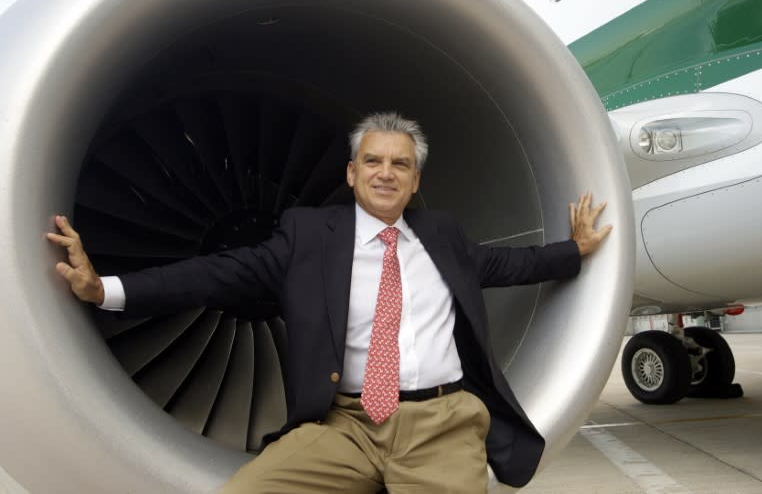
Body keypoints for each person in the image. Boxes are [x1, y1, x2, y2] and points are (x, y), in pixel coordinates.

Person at [48, 112, 612, 493]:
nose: (385, 173)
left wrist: (575, 250)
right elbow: (219, 274)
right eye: (373, 161)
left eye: (400, 165)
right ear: (351, 172)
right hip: (347, 424)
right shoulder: (309, 236)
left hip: (441, 423)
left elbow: (515, 265)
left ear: (415, 182)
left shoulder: (443, 237)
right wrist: (106, 289)